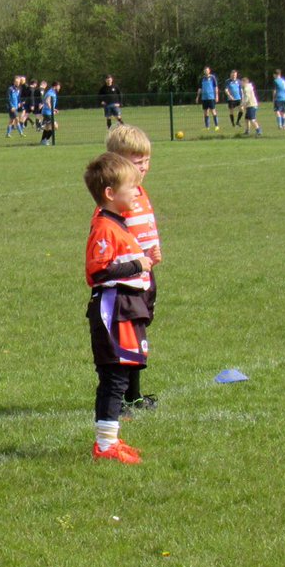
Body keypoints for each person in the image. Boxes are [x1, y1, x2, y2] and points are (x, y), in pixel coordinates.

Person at [84, 154, 157, 464]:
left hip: (127, 306)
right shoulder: (104, 227)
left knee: (121, 375)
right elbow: (97, 272)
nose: (137, 193)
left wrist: (143, 259)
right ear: (111, 194)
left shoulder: (118, 223)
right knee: (114, 376)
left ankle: (110, 439)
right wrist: (136, 264)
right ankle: (104, 445)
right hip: (113, 309)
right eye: (132, 188)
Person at [105, 125, 161, 413]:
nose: (143, 166)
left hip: (144, 276)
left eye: (146, 160)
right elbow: (112, 235)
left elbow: (143, 229)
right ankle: (122, 397)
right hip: (126, 280)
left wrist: (152, 249)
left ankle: (133, 395)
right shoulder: (118, 198)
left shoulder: (139, 191)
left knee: (138, 337)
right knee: (125, 339)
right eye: (135, 161)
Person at [197, 66, 220, 131]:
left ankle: (216, 126)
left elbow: (216, 87)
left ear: (209, 71)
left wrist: (217, 96)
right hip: (204, 98)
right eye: (205, 71)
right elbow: (200, 88)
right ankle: (207, 127)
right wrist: (197, 96)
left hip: (211, 97)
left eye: (207, 70)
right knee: (206, 112)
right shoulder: (202, 78)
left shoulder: (213, 78)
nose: (206, 71)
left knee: (213, 111)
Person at [40, 81, 60, 146]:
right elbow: (47, 101)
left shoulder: (52, 92)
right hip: (47, 113)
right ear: (55, 86)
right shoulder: (50, 92)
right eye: (58, 86)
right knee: (55, 126)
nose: (59, 88)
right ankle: (46, 140)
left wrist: (53, 109)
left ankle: (43, 140)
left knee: (48, 127)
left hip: (47, 112)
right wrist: (52, 109)